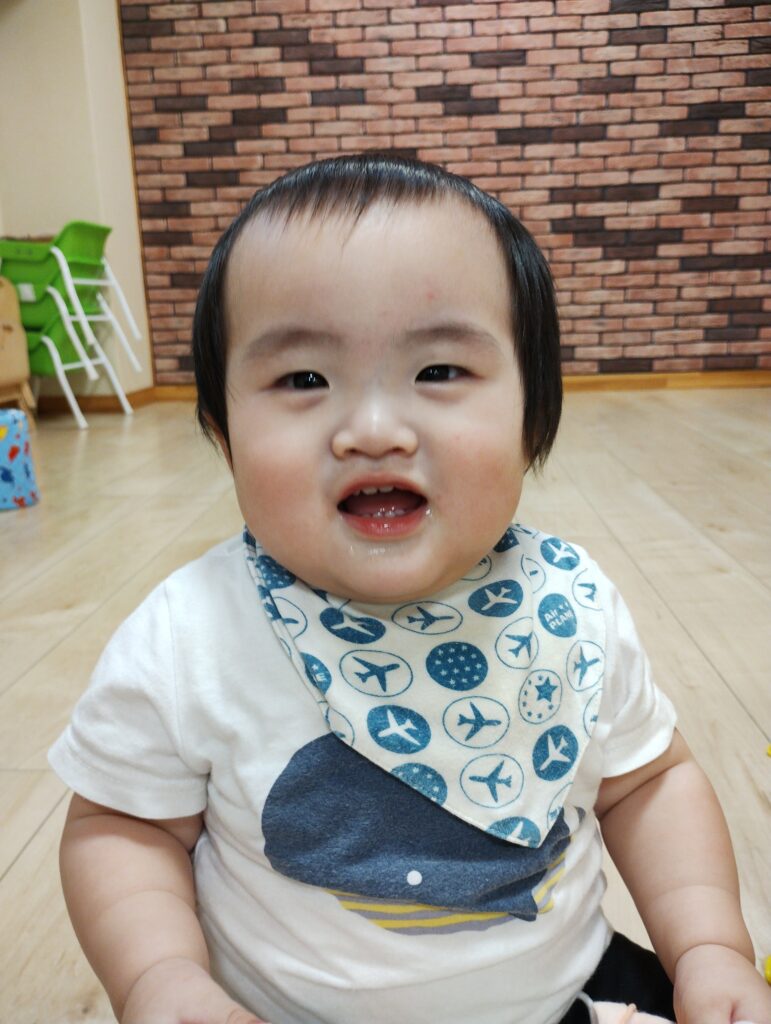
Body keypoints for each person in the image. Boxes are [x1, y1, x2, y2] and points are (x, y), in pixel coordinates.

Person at [50, 155, 770, 1024]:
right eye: (303, 380)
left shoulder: (565, 608)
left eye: (437, 371)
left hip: (567, 994)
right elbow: (125, 828)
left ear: (534, 416)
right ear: (221, 431)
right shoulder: (188, 636)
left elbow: (644, 786)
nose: (373, 430)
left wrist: (708, 948)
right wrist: (161, 978)